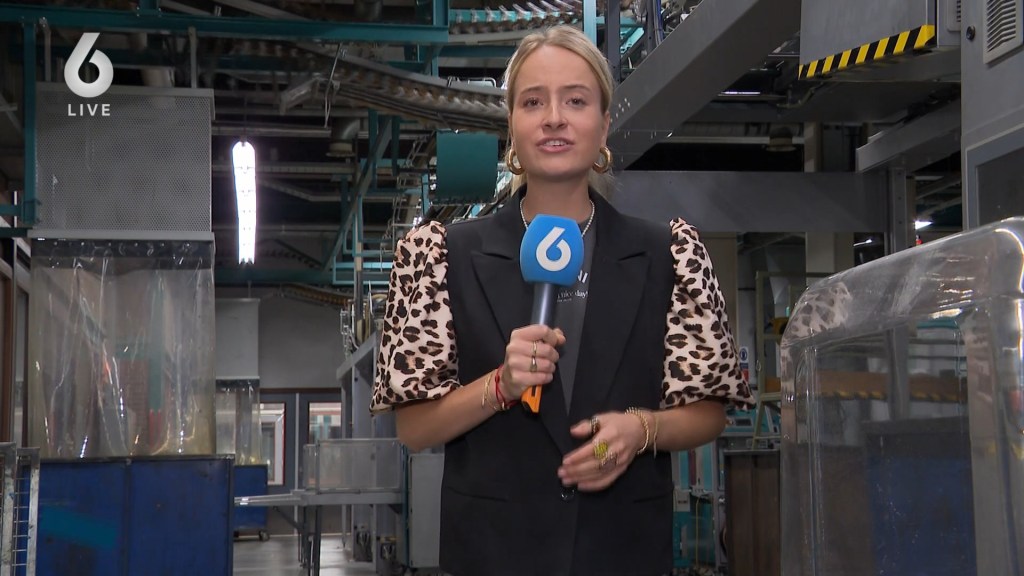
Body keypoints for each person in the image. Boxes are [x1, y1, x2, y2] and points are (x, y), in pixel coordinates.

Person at [372, 24, 753, 576]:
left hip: (623, 554)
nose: (554, 118)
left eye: (575, 100)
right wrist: (500, 385)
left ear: (604, 124)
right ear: (512, 125)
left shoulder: (669, 254)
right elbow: (414, 429)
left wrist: (642, 430)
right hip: (493, 555)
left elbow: (708, 411)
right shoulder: (440, 256)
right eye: (533, 102)